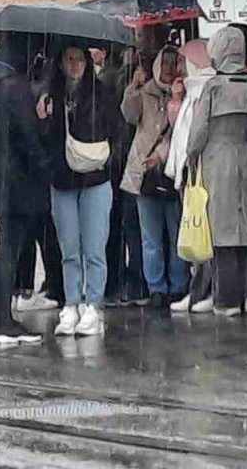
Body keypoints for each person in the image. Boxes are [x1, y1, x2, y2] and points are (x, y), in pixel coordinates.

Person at [0, 38, 52, 345]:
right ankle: (1, 322)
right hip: (18, 182)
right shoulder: (15, 87)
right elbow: (27, 138)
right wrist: (45, 164)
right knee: (9, 251)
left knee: (6, 250)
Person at [40, 45, 120, 337]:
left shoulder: (102, 93)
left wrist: (107, 160)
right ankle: (71, 302)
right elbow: (44, 141)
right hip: (62, 179)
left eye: (79, 60)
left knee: (95, 248)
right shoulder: (51, 97)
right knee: (69, 248)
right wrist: (45, 119)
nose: (74, 65)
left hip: (96, 178)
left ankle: (93, 304)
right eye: (68, 59)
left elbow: (117, 132)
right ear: (60, 64)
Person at [185, 26, 247, 317]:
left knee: (221, 227)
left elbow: (198, 131)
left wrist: (190, 157)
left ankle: (227, 298)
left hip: (218, 157)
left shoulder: (214, 86)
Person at [121, 44, 190, 309]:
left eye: (175, 63)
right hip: (144, 174)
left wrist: (177, 100)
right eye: (166, 63)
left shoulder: (186, 95)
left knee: (175, 235)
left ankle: (178, 284)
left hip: (172, 171)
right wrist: (133, 87)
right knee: (150, 237)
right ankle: (156, 287)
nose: (169, 69)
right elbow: (128, 115)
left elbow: (181, 131)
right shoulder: (146, 91)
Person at [165, 39, 216, 314]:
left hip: (201, 173)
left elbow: (195, 136)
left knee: (204, 235)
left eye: (184, 62)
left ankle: (207, 291)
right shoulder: (190, 92)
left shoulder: (204, 90)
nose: (180, 68)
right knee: (194, 233)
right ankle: (197, 290)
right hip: (189, 172)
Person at [13, 48, 64, 313]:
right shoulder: (47, 86)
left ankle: (27, 288)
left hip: (30, 173)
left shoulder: (26, 88)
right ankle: (49, 286)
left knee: (33, 235)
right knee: (45, 234)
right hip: (40, 173)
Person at [97, 46, 146, 308]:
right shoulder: (124, 78)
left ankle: (113, 281)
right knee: (133, 226)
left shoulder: (105, 80)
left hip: (114, 157)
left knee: (115, 226)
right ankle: (134, 281)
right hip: (127, 154)